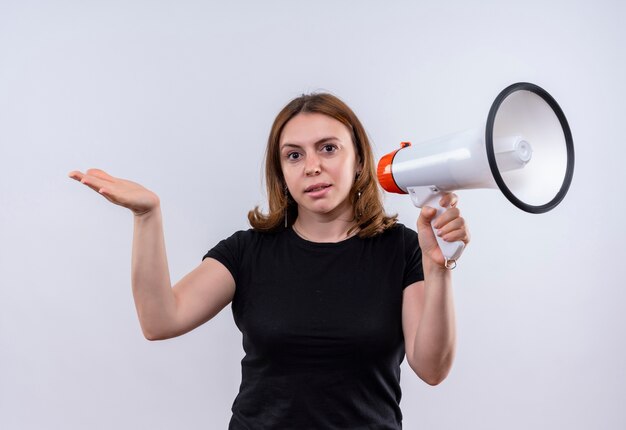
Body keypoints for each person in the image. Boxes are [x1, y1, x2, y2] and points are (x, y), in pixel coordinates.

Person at [69, 93, 470, 429]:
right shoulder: (247, 252)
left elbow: (432, 368)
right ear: (281, 173)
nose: (312, 165)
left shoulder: (401, 249)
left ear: (360, 160)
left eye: (328, 148)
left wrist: (439, 269)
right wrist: (147, 216)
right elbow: (160, 320)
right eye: (294, 155)